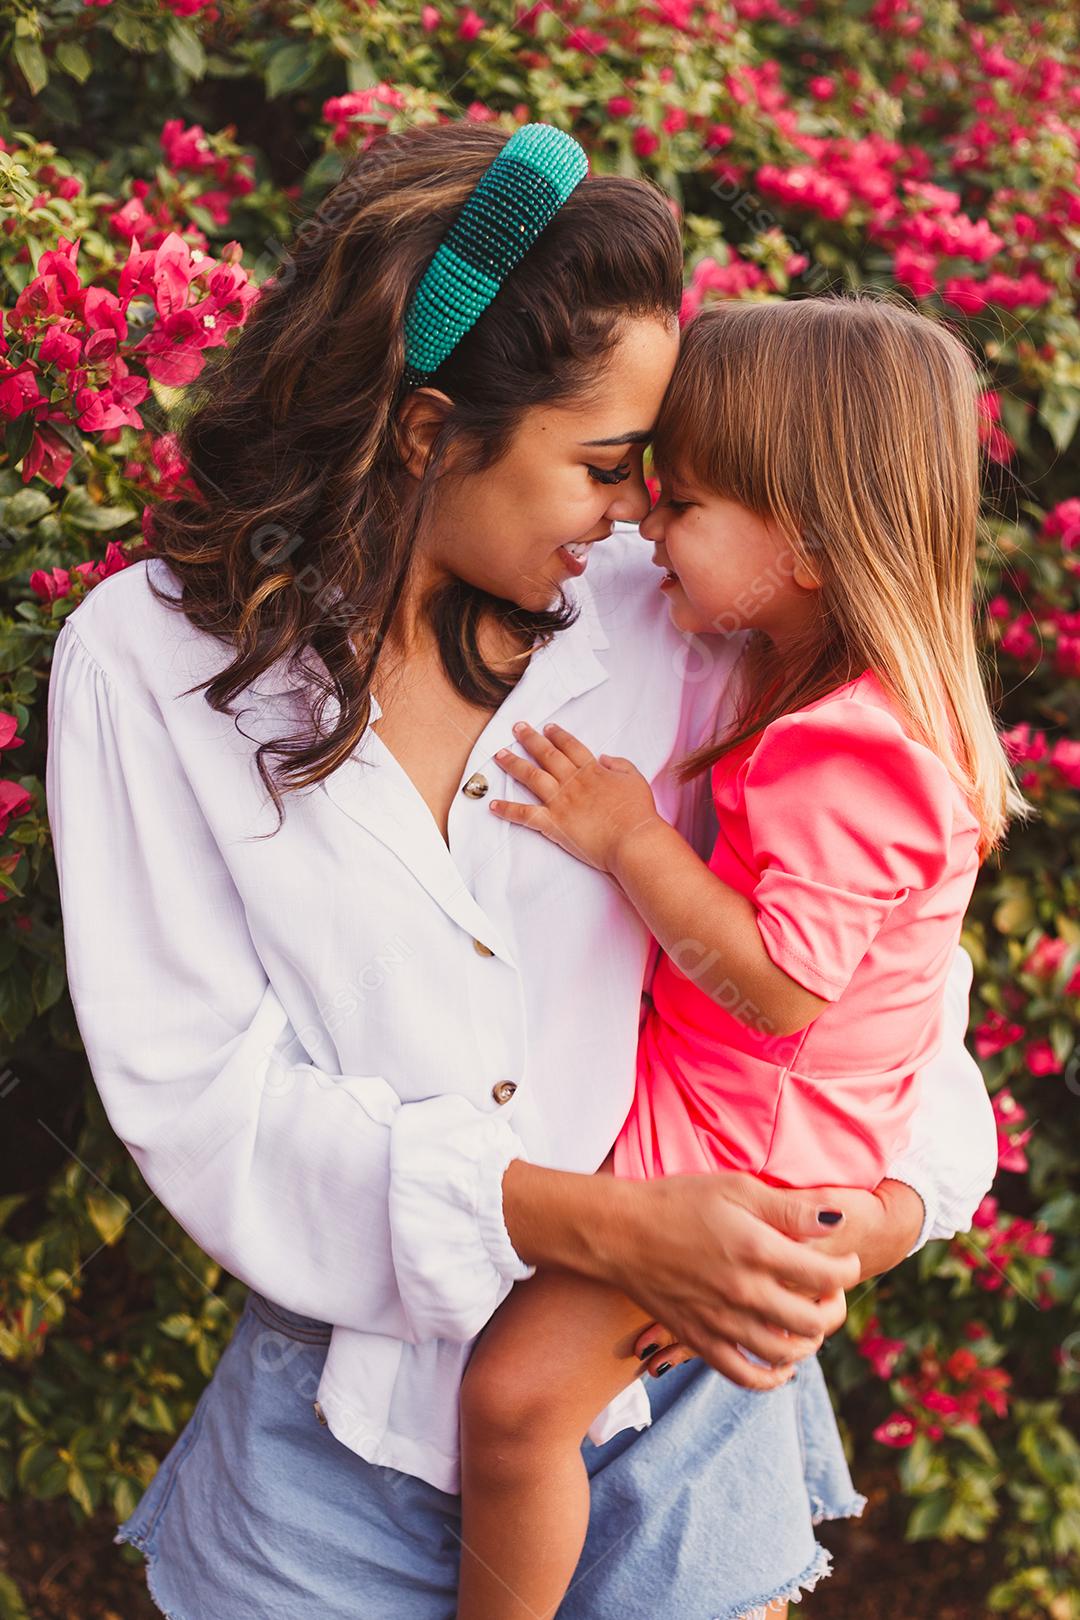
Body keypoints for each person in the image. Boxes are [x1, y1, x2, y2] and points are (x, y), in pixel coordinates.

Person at [43, 121, 998, 1620]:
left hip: (676, 1381)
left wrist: (857, 1223)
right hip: (337, 1423)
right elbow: (200, 1094)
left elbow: (877, 971)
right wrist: (601, 1221)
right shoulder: (146, 665)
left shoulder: (675, 622)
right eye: (608, 465)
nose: (636, 514)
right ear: (427, 433)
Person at [453, 292, 1028, 1620]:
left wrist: (627, 838)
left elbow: (781, 988)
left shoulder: (846, 747)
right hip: (743, 1125)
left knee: (513, 1407)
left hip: (742, 1153)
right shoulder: (821, 688)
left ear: (813, 548)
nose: (648, 526)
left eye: (688, 502)